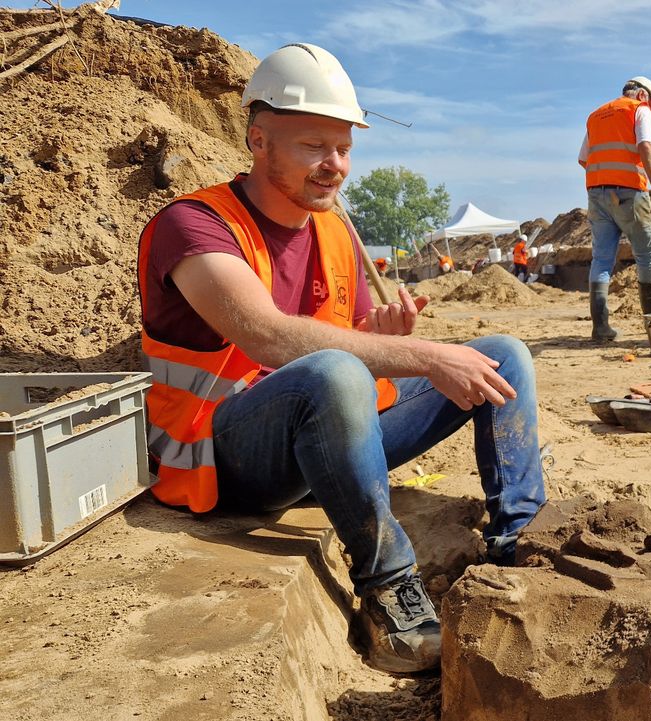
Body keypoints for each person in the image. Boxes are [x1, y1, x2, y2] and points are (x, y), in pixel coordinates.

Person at [135, 43, 545, 675]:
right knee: (337, 370)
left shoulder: (332, 228)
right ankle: (388, 585)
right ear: (259, 140)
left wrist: (379, 334)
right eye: (313, 148)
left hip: (324, 435)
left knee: (502, 357)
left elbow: (339, 336)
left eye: (345, 148)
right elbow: (271, 338)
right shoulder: (193, 225)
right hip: (223, 457)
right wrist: (417, 354)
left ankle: (520, 536)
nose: (335, 166)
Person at [578, 75, 651, 342]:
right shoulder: (640, 110)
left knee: (602, 259)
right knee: (648, 253)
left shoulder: (596, 116)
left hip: (596, 193)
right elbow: (646, 147)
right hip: (629, 192)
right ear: (643, 96)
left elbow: (583, 159)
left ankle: (600, 328)